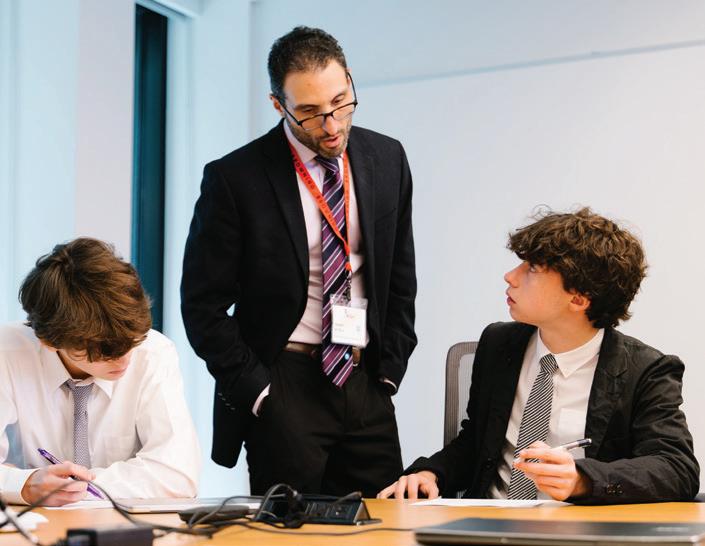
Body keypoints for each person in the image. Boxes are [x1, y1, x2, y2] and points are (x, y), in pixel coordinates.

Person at [181, 26, 416, 497]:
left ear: (349, 80)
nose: (331, 125)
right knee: (289, 528)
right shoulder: (235, 178)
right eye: (309, 112)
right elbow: (202, 305)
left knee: (384, 523)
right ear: (278, 105)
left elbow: (400, 274)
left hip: (365, 379)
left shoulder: (387, 157)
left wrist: (389, 372)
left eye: (340, 103)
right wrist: (258, 391)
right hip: (284, 381)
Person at [378, 208, 699, 503]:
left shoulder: (646, 370)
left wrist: (583, 480)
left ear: (578, 299)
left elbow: (677, 468)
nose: (510, 276)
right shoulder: (498, 343)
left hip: (579, 530)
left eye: (531, 268)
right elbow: (475, 442)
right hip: (488, 523)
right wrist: (430, 473)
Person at [0, 238, 200, 506]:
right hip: (33, 524)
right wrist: (24, 484)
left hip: (124, 525)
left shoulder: (153, 353)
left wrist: (76, 486)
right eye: (105, 353)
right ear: (49, 341)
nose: (124, 359)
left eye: (131, 343)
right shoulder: (7, 354)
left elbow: (178, 475)